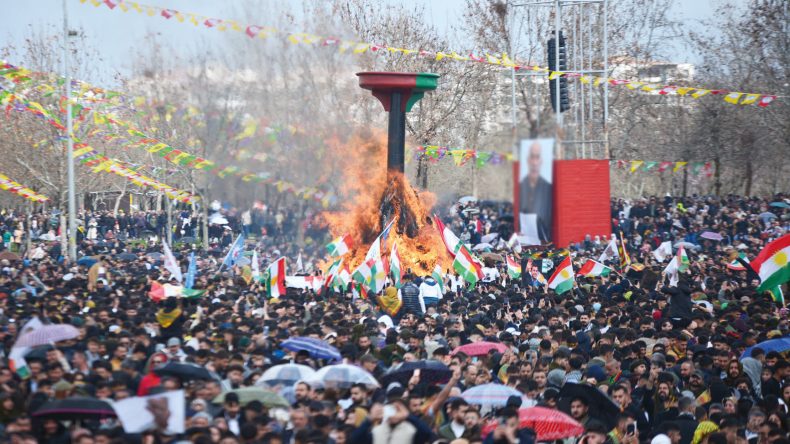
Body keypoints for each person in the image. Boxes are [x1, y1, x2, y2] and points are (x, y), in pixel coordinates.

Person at [518, 140, 552, 243]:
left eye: (537, 157)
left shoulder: (547, 187)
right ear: (528, 160)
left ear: (542, 160)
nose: (534, 162)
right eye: (532, 157)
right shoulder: (521, 186)